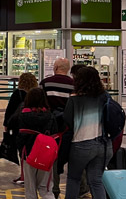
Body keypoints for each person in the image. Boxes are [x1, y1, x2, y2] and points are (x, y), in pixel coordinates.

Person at [63, 67, 112, 199]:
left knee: (74, 179)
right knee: (96, 181)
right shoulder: (105, 97)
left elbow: (67, 121)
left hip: (81, 144)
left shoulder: (74, 99)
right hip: (103, 144)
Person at [38, 58, 81, 197]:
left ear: (56, 67)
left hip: (51, 127)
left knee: (53, 158)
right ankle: (81, 187)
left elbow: (40, 104)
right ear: (67, 69)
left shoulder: (45, 83)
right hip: (70, 127)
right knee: (73, 157)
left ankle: (54, 188)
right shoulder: (75, 85)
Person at [9, 88, 59, 199]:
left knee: (30, 189)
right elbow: (55, 135)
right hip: (46, 156)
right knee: (45, 188)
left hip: (28, 153)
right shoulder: (50, 116)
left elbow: (13, 128)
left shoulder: (22, 115)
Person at [3, 73, 38, 185]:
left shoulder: (17, 94)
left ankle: (24, 176)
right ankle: (33, 175)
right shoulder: (36, 94)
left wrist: (6, 125)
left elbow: (10, 111)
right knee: (32, 151)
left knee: (22, 152)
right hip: (34, 127)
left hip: (20, 127)